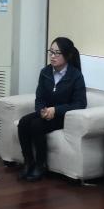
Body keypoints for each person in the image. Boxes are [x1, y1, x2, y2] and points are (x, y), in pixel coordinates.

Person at [17, 37, 87, 182]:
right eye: (51, 52)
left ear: (67, 55)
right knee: (23, 122)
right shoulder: (45, 72)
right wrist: (41, 110)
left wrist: (56, 110)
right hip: (46, 113)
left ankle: (40, 165)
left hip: (64, 116)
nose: (52, 56)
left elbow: (80, 103)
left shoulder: (76, 76)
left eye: (57, 53)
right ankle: (28, 162)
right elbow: (39, 97)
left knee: (36, 125)